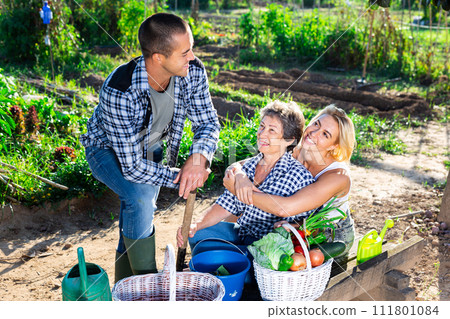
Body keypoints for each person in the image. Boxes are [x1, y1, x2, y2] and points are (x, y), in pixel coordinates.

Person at [80, 13, 220, 282]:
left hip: (150, 147)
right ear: (158, 57)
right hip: (106, 150)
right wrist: (183, 175)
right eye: (184, 52)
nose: (192, 57)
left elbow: (208, 122)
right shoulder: (120, 90)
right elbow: (131, 166)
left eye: (191, 48)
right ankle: (147, 284)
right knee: (140, 198)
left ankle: (126, 289)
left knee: (137, 214)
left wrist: (199, 158)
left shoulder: (193, 71)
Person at [176, 101, 315, 251]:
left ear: (289, 140)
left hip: (268, 247)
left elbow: (312, 223)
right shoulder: (248, 167)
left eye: (272, 130)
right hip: (242, 233)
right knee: (196, 234)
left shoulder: (298, 176)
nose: (262, 134)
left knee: (218, 256)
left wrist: (295, 225)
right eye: (262, 126)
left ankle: (235, 265)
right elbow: (225, 205)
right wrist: (196, 225)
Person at [224, 104, 356, 261]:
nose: (313, 133)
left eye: (325, 134)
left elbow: (285, 208)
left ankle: (233, 259)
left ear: (335, 145)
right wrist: (239, 176)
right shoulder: (296, 150)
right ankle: (222, 246)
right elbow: (239, 165)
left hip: (326, 234)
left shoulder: (337, 176)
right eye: (316, 124)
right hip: (289, 222)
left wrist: (239, 190)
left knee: (276, 260)